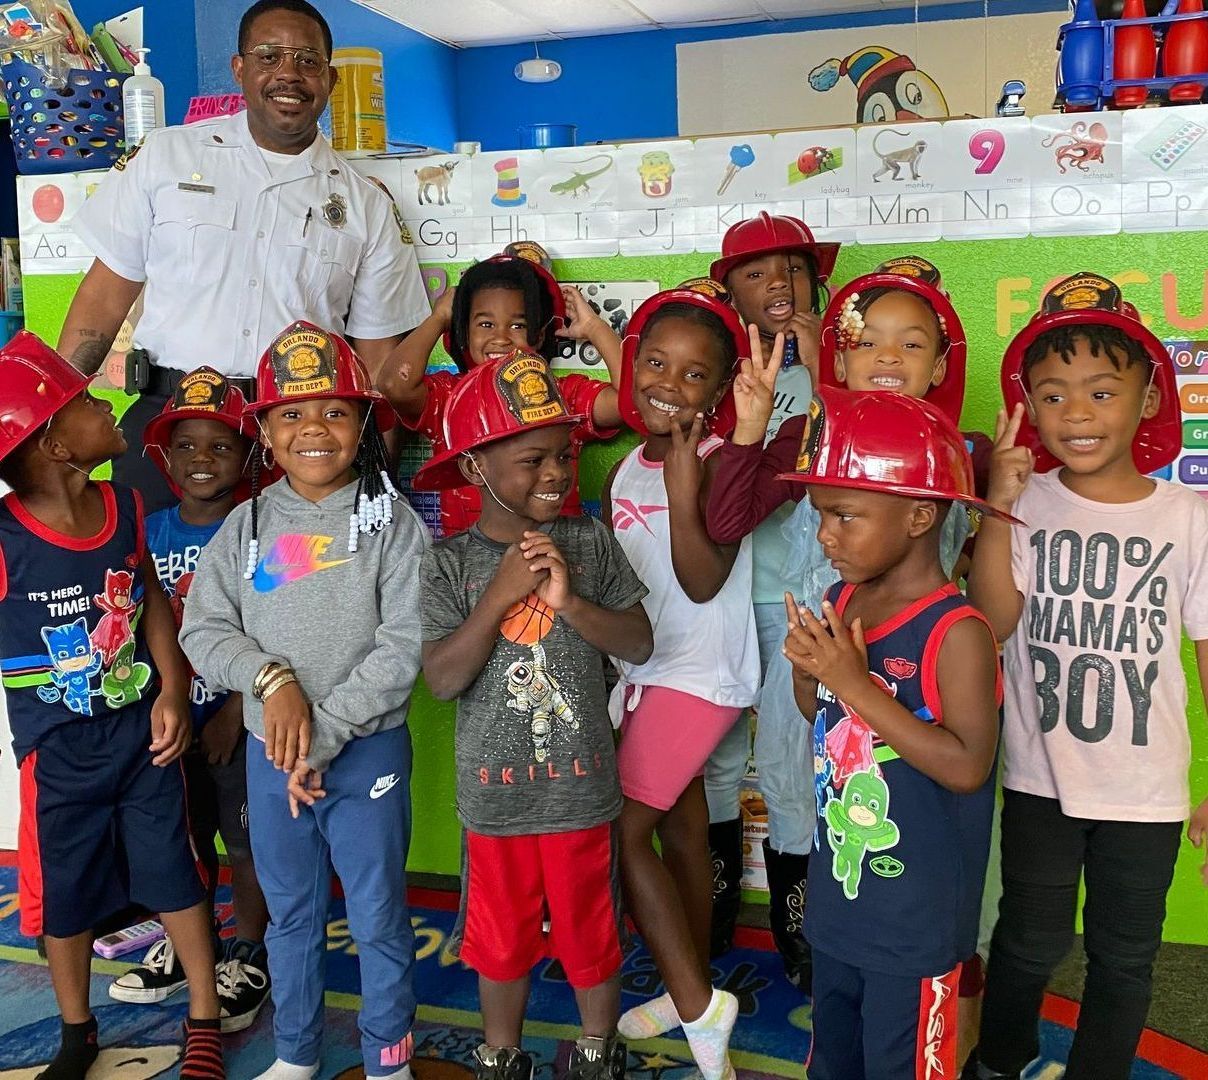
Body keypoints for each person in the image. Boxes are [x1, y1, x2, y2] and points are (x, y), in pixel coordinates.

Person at [706, 255, 987, 989]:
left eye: (913, 342)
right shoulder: (804, 430)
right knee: (798, 787)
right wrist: (751, 429)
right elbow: (728, 519)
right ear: (837, 352)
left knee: (903, 811)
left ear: (941, 363)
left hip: (911, 677)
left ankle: (937, 962)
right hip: (815, 652)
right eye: (867, 340)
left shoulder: (960, 451)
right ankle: (805, 933)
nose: (888, 357)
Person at [964, 273, 1208, 1080]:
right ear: (1028, 407)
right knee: (1026, 942)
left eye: (1102, 392)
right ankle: (1001, 1060)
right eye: (1053, 394)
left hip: (1148, 790)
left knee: (1124, 957)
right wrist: (999, 506)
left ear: (1147, 401)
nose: (1076, 413)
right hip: (1042, 780)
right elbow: (993, 622)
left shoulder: (1188, 518)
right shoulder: (1025, 499)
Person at [58, 0, 430, 512]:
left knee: (286, 585)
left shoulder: (366, 205)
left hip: (299, 436)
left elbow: (376, 361)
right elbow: (103, 300)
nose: (289, 75)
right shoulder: (167, 157)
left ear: (330, 77)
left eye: (307, 60)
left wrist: (373, 481)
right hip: (170, 424)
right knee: (140, 579)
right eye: (269, 56)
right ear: (239, 68)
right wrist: (59, 421)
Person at [180, 323, 428, 1080]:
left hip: (363, 754)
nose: (313, 429)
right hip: (269, 755)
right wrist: (270, 680)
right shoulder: (245, 527)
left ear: (363, 424)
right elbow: (203, 628)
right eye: (291, 414)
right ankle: (296, 1053)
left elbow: (404, 645)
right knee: (290, 915)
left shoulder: (390, 525)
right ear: (262, 429)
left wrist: (323, 736)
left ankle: (389, 1058)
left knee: (379, 915)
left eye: (335, 412)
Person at [415, 351, 652, 1080]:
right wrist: (500, 595)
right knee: (499, 940)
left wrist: (569, 601)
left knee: (591, 933)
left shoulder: (589, 542)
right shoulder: (450, 564)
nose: (556, 473)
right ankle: (500, 1053)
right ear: (474, 469)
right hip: (496, 800)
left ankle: (594, 1048)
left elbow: (639, 640)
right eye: (533, 460)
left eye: (564, 454)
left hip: (580, 790)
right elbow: (443, 678)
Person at [0, 332, 223, 1080]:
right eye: (89, 403)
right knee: (63, 897)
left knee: (177, 877)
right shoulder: (4, 539)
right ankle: (75, 1033)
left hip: (142, 741)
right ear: (57, 445)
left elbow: (153, 598)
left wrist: (169, 686)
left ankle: (203, 1017)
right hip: (57, 756)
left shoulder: (125, 506)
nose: (107, 406)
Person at [780, 387, 1004, 1079]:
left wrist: (848, 682)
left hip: (915, 924)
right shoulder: (843, 599)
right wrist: (810, 670)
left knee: (902, 1065)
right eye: (821, 515)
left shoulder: (958, 631)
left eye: (845, 516)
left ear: (917, 515)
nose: (826, 535)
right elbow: (819, 718)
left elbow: (967, 766)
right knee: (834, 1061)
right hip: (842, 902)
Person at [604, 281, 759, 1080]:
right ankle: (683, 979)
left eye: (695, 374)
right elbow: (618, 580)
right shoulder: (627, 467)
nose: (669, 382)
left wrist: (686, 491)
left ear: (724, 388)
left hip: (700, 677)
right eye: (655, 362)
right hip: (645, 671)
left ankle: (700, 1012)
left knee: (621, 832)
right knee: (683, 828)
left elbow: (701, 583)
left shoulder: (722, 466)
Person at [106, 368, 271, 1033]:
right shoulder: (153, 532)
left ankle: (249, 954)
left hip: (242, 721)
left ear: (248, 455)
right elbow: (146, 625)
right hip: (174, 721)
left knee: (247, 843)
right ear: (164, 458)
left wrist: (236, 708)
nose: (203, 460)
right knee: (183, 839)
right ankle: (191, 942)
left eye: (220, 446)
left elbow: (280, 624)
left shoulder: (262, 530)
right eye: (188, 447)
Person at [701, 213, 839, 970]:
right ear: (730, 292)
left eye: (792, 268)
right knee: (716, 762)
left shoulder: (845, 366)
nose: (779, 284)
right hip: (716, 601)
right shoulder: (716, 370)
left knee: (790, 768)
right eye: (757, 273)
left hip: (803, 605)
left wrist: (827, 371)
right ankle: (717, 909)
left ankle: (799, 935)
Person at [378, 241, 622, 535]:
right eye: (485, 324)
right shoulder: (449, 398)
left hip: (561, 557)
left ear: (540, 334)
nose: (501, 338)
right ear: (463, 332)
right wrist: (439, 317)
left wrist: (595, 328)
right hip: (470, 570)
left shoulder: (563, 395)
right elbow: (394, 384)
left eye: (518, 326)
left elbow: (629, 402)